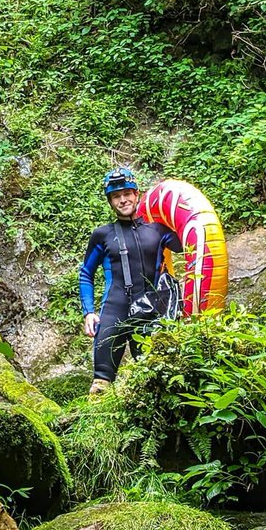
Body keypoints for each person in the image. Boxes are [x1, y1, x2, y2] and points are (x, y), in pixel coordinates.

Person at [79, 167, 179, 394]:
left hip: (151, 314)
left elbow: (188, 245)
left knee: (156, 381)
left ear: (137, 194)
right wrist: (89, 311)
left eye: (127, 193)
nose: (122, 200)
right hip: (114, 311)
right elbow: (86, 273)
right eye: (116, 196)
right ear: (110, 201)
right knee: (100, 386)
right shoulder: (102, 235)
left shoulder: (158, 230)